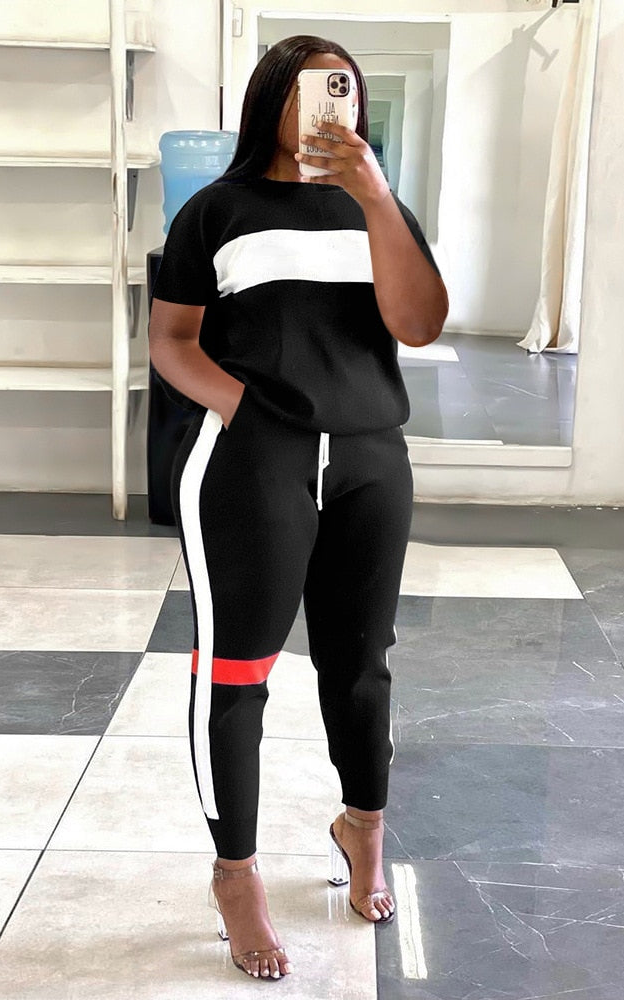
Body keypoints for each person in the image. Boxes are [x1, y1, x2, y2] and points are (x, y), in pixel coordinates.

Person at [148, 34, 448, 981]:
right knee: (238, 673)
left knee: (361, 666)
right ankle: (235, 875)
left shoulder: (381, 208)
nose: (335, 103)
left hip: (372, 461)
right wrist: (244, 410)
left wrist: (376, 197)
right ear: (275, 97)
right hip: (251, 465)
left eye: (347, 89)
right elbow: (171, 339)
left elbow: (420, 323)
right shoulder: (217, 209)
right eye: (317, 88)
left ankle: (364, 826)